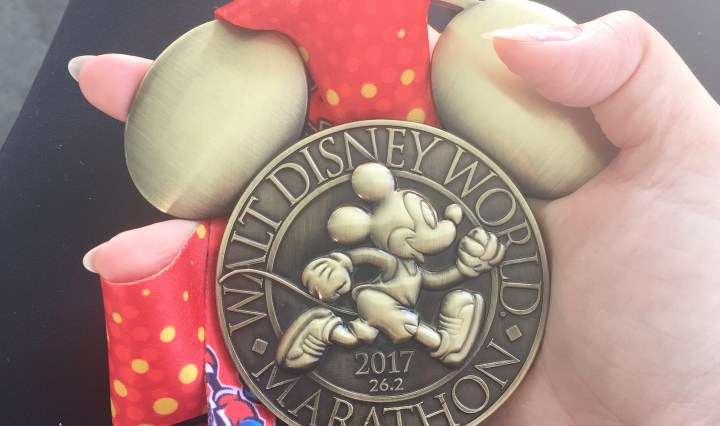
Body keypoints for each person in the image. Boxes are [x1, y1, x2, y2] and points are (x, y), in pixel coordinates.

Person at [71, 10, 720, 425]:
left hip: (414, 305)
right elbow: (352, 265)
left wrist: (466, 262)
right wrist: (333, 273)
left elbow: (435, 267)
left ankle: (425, 335)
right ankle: (404, 336)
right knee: (365, 307)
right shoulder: (360, 245)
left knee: (430, 300)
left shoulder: (408, 237)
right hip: (375, 308)